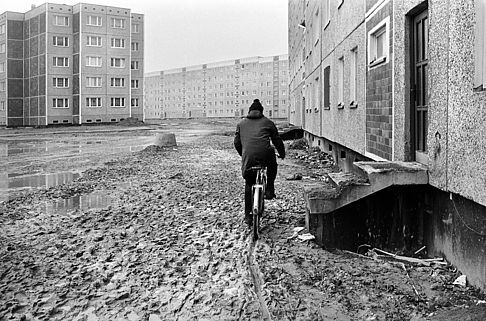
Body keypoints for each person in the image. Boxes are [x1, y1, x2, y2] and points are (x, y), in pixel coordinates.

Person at [234, 99, 286, 226]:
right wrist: (282, 153)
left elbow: (236, 143)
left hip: (248, 157)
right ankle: (269, 188)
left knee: (248, 183)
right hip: (265, 156)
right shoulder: (268, 122)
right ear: (261, 112)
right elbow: (277, 140)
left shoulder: (241, 124)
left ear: (249, 112)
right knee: (272, 163)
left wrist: (244, 154)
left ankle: (247, 216)